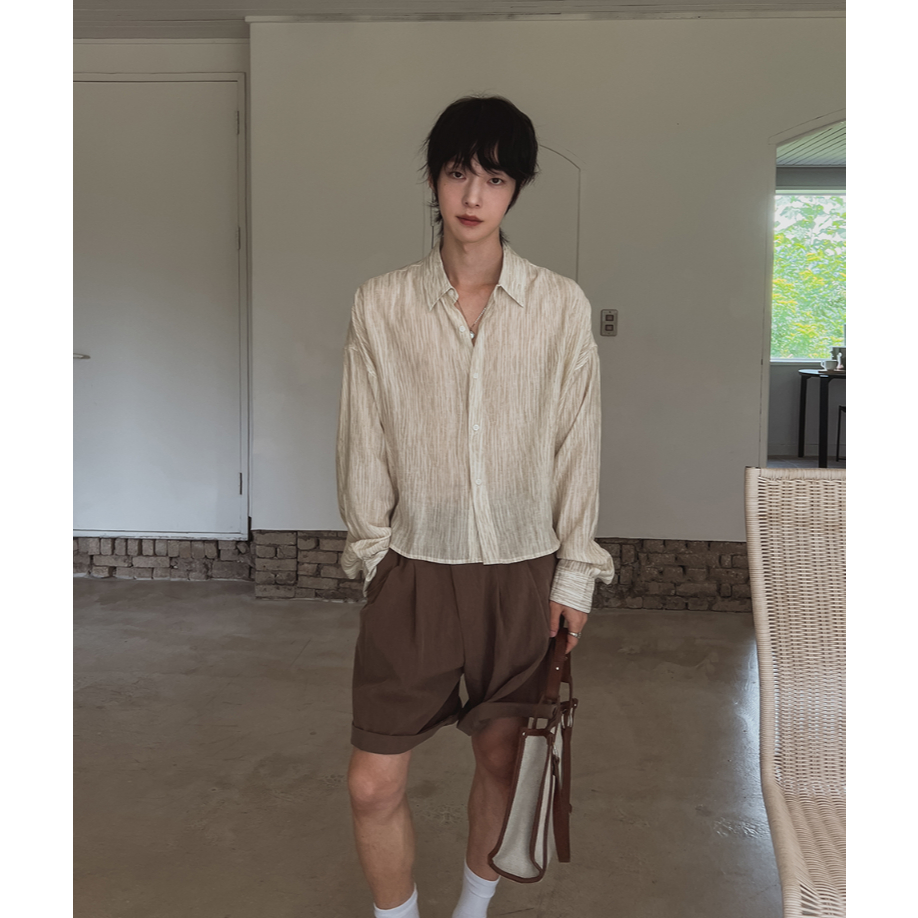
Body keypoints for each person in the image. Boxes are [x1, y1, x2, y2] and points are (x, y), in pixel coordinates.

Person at [336, 95, 614, 918]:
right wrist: (375, 556)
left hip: (523, 575)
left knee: (501, 762)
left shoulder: (559, 306)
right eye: (458, 172)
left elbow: (578, 444)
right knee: (371, 782)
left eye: (494, 178)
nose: (473, 195)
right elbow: (363, 437)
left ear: (516, 188)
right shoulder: (381, 303)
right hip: (413, 572)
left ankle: (469, 912)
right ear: (433, 179)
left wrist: (574, 573)